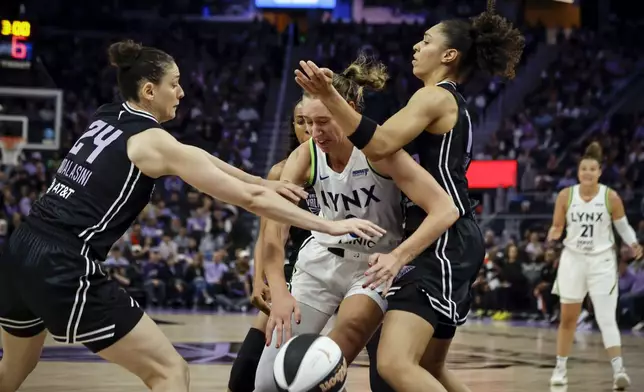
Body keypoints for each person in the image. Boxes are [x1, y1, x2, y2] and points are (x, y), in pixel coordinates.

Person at [0, 40, 386, 392]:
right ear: (150, 90)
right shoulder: (152, 142)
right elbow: (249, 199)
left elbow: (198, 157)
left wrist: (259, 179)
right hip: (63, 262)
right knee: (170, 372)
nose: (182, 92)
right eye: (175, 83)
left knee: (15, 370)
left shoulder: (108, 115)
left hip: (19, 251)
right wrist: (329, 224)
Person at [293, 1, 524, 390]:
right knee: (430, 369)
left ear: (449, 55)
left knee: (395, 364)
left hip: (441, 236)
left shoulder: (434, 97)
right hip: (450, 236)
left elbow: (380, 143)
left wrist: (330, 96)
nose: (417, 46)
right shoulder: (442, 100)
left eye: (426, 40)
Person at [255, 55, 459, 392]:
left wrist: (399, 257)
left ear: (347, 108)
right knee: (267, 382)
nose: (313, 132)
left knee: (329, 356)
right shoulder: (305, 155)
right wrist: (278, 290)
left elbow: (445, 209)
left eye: (323, 122)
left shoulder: (380, 150)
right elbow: (274, 227)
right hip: (320, 261)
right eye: (307, 122)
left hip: (372, 266)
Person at [227, 98, 318, 392]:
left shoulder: (350, 162)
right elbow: (267, 234)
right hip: (297, 274)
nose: (307, 127)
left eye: (312, 120)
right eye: (300, 121)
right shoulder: (281, 172)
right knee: (242, 377)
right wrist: (258, 281)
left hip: (349, 268)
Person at [548, 142, 642, 389]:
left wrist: (634, 244)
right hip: (573, 260)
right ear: (578, 172)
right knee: (568, 319)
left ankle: (619, 371)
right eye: (583, 169)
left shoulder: (610, 196)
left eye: (592, 168)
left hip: (602, 262)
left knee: (606, 318)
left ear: (600, 171)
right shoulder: (565, 196)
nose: (587, 172)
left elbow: (623, 227)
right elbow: (557, 225)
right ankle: (560, 369)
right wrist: (554, 232)